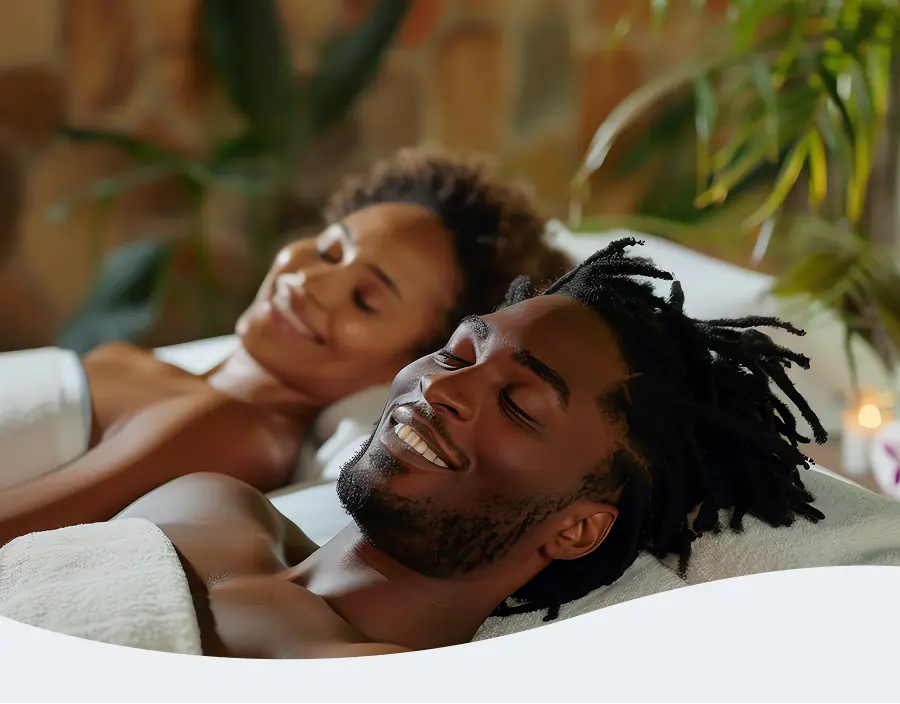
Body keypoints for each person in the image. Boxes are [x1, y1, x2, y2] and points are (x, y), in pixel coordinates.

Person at [0, 238, 829, 658]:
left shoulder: (365, 681)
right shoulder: (205, 500)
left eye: (519, 402)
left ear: (578, 528)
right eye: (461, 352)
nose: (445, 387)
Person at [0, 147, 570, 538]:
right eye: (328, 250)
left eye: (365, 299)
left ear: (408, 364)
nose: (310, 281)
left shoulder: (235, 428)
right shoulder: (165, 374)